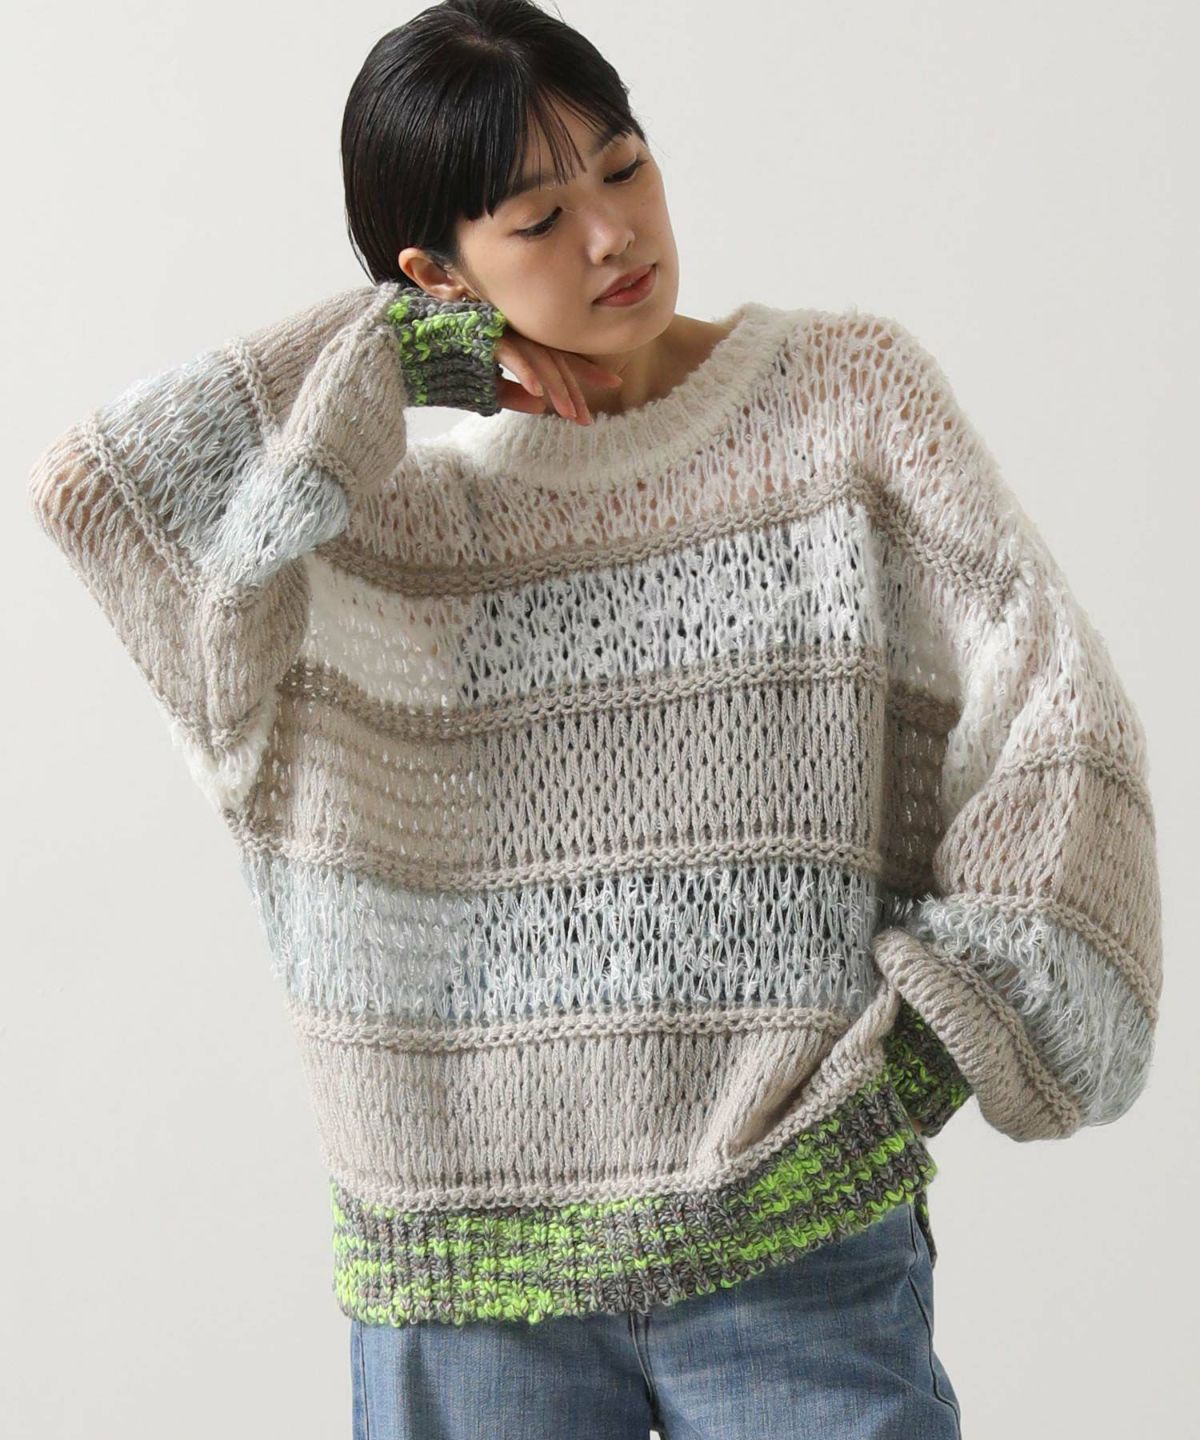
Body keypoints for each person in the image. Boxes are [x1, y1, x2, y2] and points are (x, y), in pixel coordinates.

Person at [28, 2, 1162, 1438]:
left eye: (624, 168)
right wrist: (417, 358)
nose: (614, 235)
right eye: (539, 218)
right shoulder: (385, 539)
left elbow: (1060, 724)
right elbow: (101, 493)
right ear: (437, 272)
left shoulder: (843, 403)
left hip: (796, 1250)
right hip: (467, 1285)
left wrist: (932, 1052)